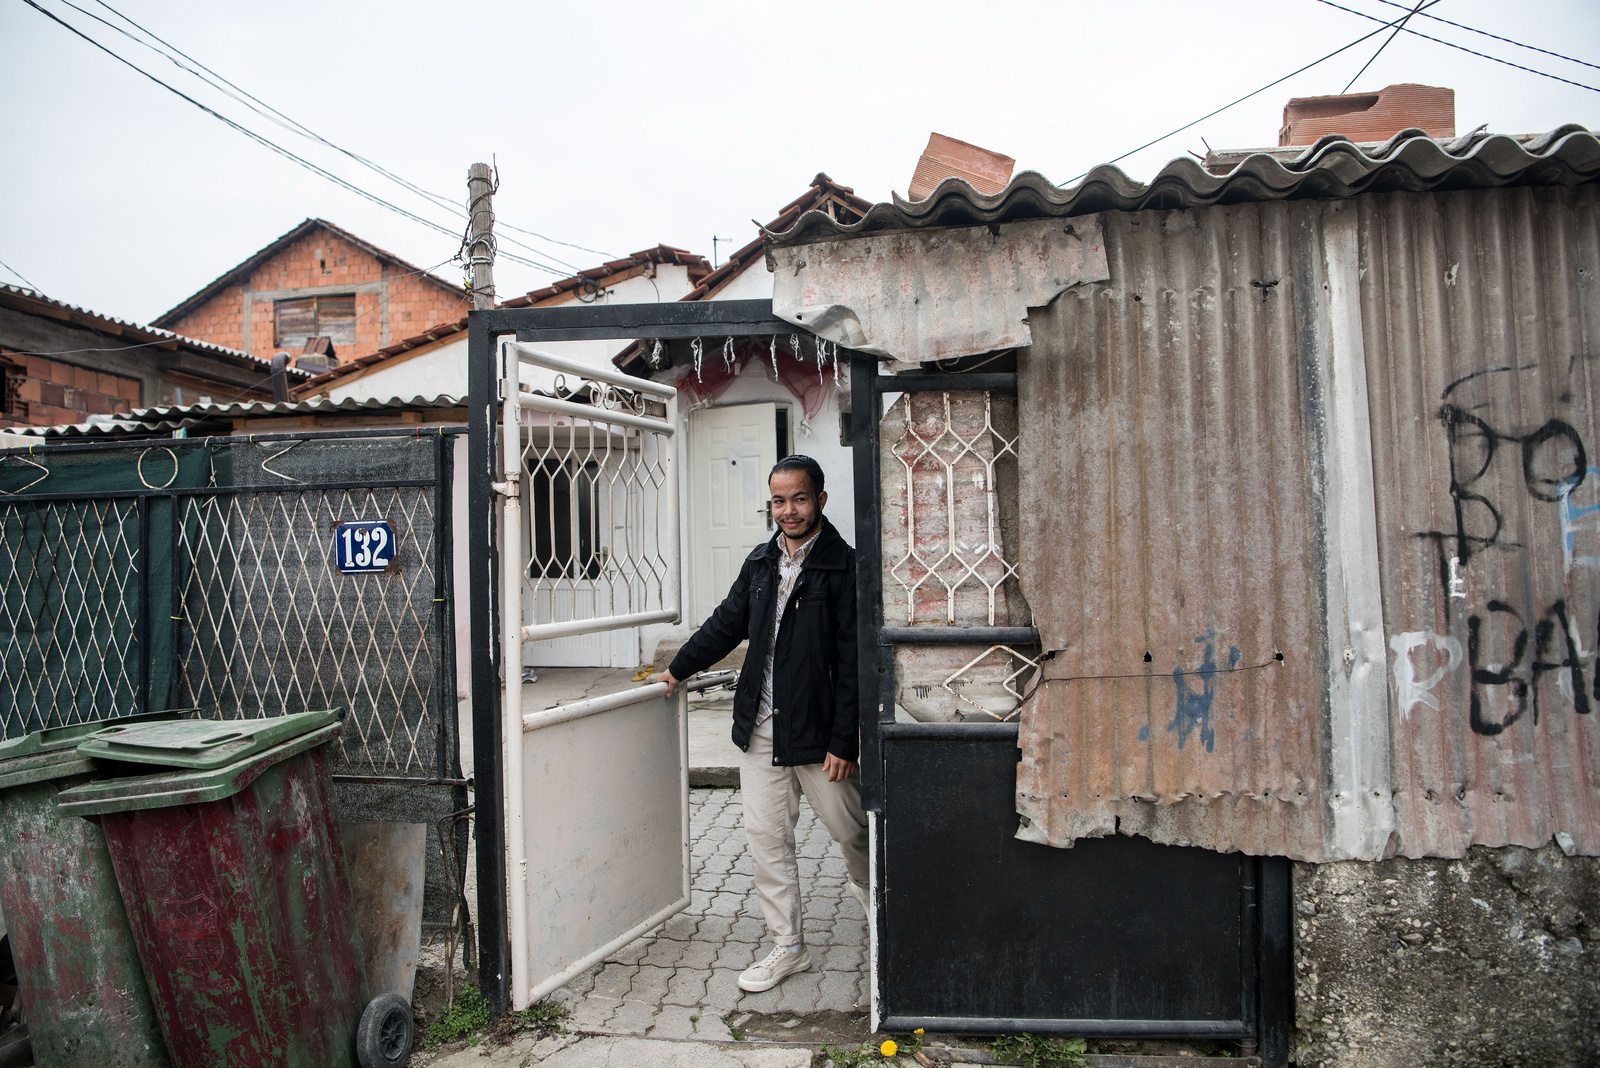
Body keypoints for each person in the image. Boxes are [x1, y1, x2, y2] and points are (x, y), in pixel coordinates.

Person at [657, 454, 868, 993]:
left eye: (799, 499)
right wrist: (678, 669)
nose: (789, 510)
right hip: (761, 724)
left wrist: (845, 739)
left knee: (854, 832)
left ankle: (878, 905)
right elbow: (726, 624)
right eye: (779, 501)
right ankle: (788, 946)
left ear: (820, 500)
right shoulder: (760, 562)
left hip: (820, 733)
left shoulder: (844, 566)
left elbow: (854, 661)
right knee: (767, 840)